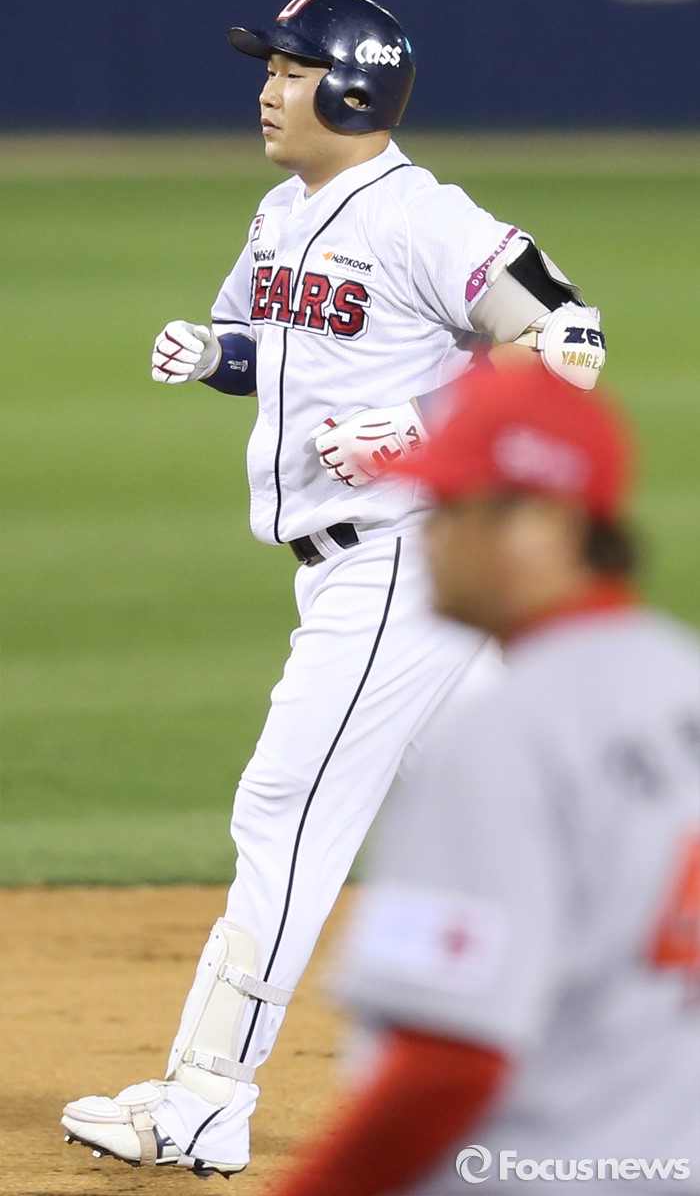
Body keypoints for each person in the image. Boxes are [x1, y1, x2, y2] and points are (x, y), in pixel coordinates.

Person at [61, 0, 606, 1178]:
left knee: (285, 808)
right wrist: (214, 353)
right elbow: (274, 348)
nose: (266, 89)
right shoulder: (281, 213)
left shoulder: (423, 217)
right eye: (267, 67)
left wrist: (420, 424)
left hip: (403, 558)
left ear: (353, 90)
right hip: (362, 566)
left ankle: (204, 1100)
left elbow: (569, 341)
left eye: (290, 69)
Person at [268, 364, 699, 1196]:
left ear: (546, 522)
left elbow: (447, 1062)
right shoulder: (680, 680)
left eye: (448, 507)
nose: (428, 536)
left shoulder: (503, 734)